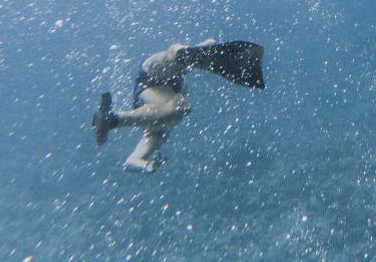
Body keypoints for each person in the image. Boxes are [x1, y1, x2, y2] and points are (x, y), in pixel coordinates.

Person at [92, 39, 264, 173]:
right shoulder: (160, 128)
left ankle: (112, 119)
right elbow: (131, 162)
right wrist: (147, 166)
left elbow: (131, 162)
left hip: (153, 78)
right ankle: (191, 54)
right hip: (161, 79)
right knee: (178, 106)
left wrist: (145, 166)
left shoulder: (157, 129)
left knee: (176, 106)